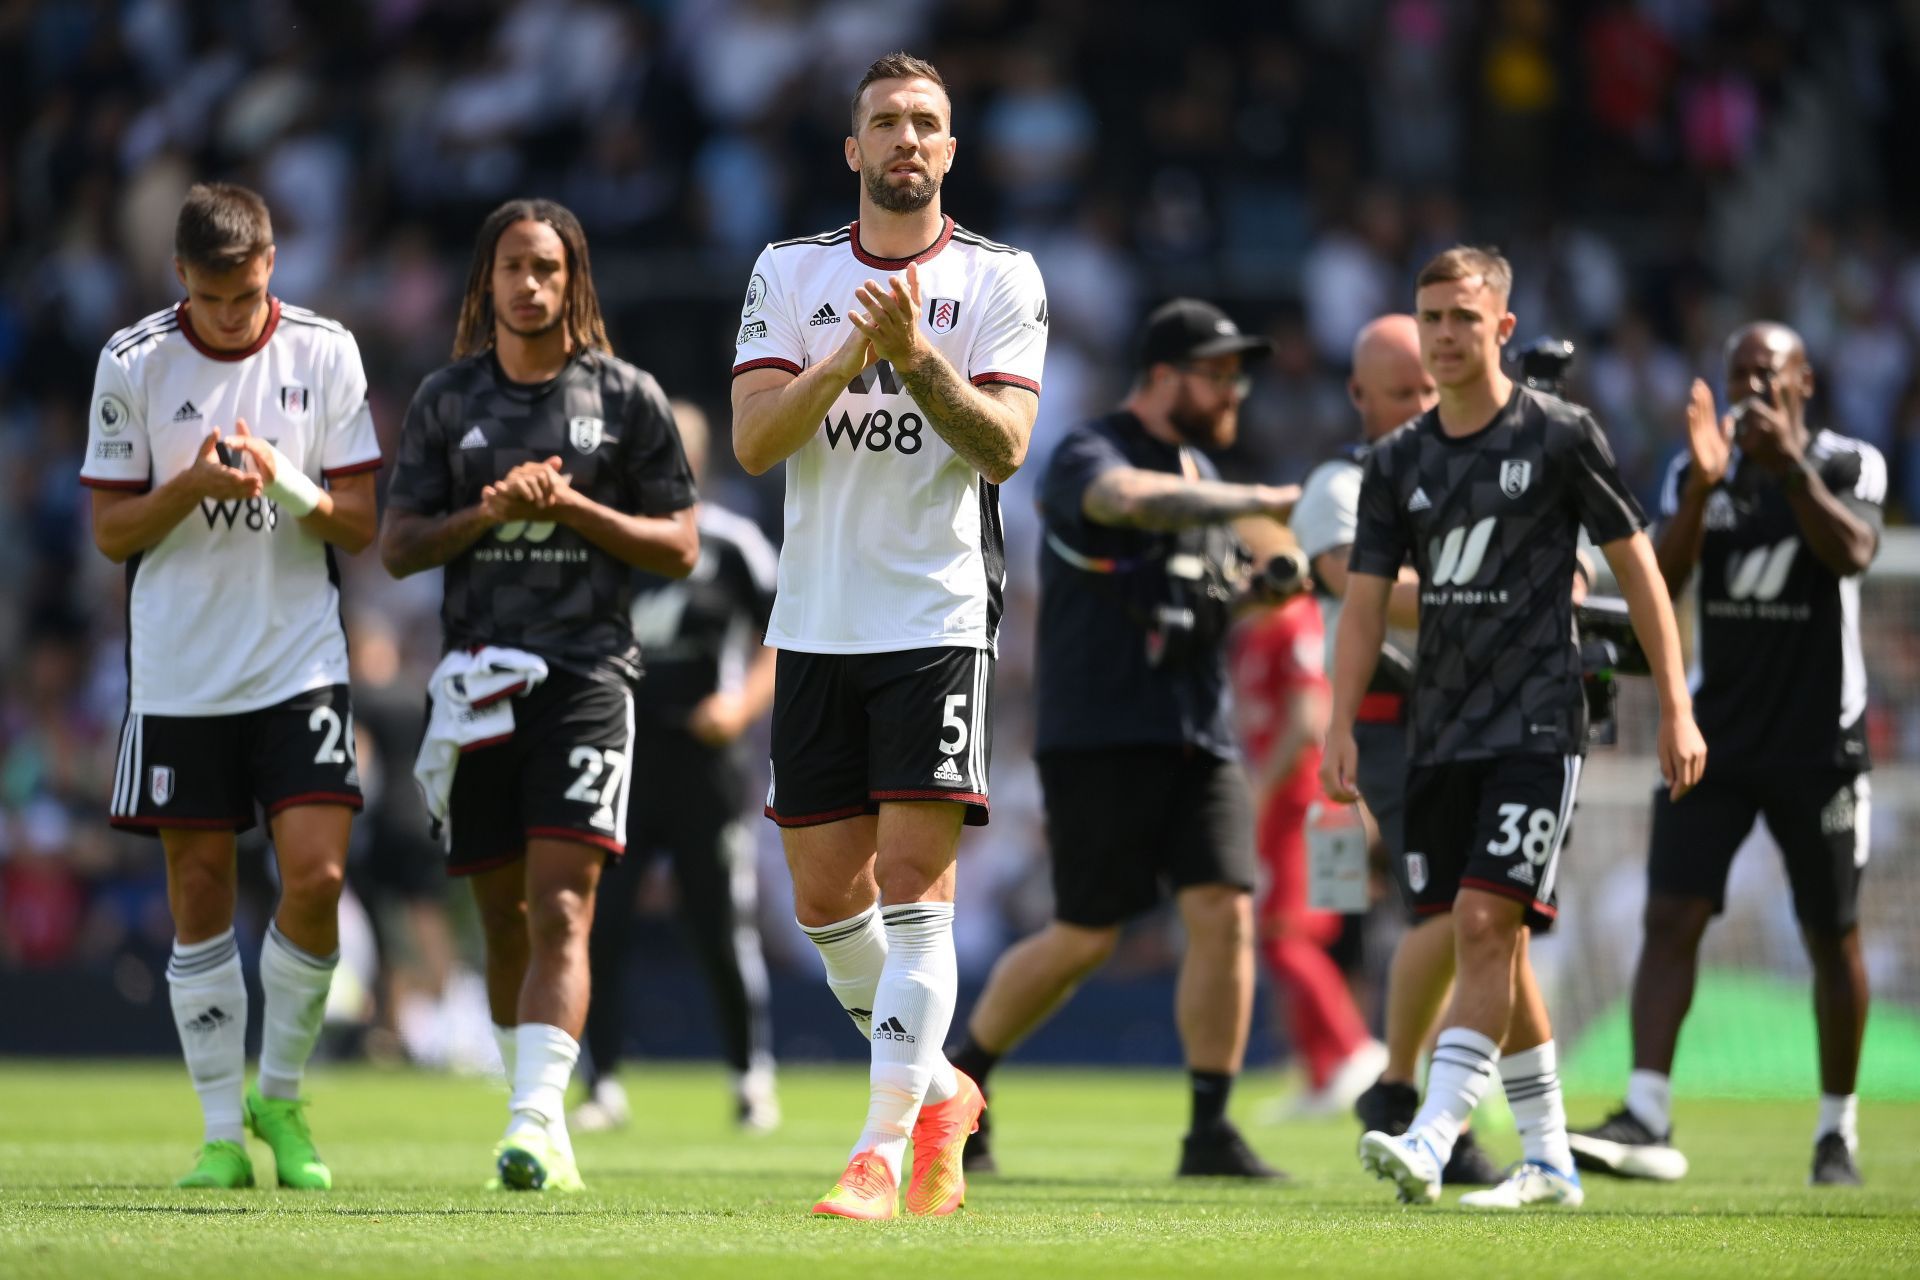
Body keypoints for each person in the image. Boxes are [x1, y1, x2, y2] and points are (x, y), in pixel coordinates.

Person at [730, 51, 1047, 1220]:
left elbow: (1006, 444)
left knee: (918, 890)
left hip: (937, 611)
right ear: (852, 151)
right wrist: (850, 355)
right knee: (826, 905)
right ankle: (942, 1089)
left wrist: (914, 357)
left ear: (950, 152)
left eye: (927, 123)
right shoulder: (790, 272)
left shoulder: (1000, 277)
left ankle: (874, 1149)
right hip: (816, 619)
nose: (907, 139)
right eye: (886, 123)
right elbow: (758, 441)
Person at [1328, 246, 1706, 1209]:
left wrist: (1674, 702)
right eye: (1432, 318)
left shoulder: (1561, 435)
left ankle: (1431, 1132)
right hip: (1437, 731)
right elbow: (1366, 607)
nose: (1446, 335)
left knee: (1484, 921)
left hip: (1538, 724)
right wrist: (1338, 722)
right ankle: (1549, 1158)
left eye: (1463, 317)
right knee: (1496, 942)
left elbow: (1638, 572)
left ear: (1502, 327)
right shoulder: (1395, 464)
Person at [380, 198, 699, 1192]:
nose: (532, 284)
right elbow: (396, 546)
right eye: (515, 266)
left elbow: (681, 544)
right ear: (488, 281)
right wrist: (487, 508)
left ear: (575, 280)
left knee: (564, 904)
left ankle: (530, 1120)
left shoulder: (628, 396)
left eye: (550, 268)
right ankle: (541, 1109)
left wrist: (574, 506)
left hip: (590, 675)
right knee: (502, 912)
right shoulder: (445, 398)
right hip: (479, 680)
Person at [949, 297, 1295, 1181]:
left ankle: (1209, 1129)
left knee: (1225, 910)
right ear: (1163, 376)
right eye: (1217, 374)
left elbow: (1210, 596)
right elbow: (1122, 503)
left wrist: (1273, 582)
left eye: (1235, 375)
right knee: (1085, 935)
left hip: (1196, 728)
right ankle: (959, 1079)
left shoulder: (1201, 469)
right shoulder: (1089, 450)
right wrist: (1253, 502)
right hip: (1100, 726)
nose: (1233, 391)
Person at [80, 182, 382, 1189]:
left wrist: (287, 483)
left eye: (250, 295)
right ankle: (219, 1129)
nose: (236, 317)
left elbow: (359, 520)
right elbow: (113, 529)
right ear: (182, 281)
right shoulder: (132, 361)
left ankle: (281, 1094)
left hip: (299, 661)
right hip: (180, 672)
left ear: (271, 268)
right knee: (201, 892)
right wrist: (192, 487)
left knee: (320, 876)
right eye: (215, 301)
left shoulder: (324, 350)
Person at [1570, 324, 1883, 1188]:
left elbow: (1855, 552)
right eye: (1740, 375)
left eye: (1768, 375)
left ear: (1804, 382)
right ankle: (1645, 1109)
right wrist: (1703, 490)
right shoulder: (1696, 466)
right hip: (1718, 735)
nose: (1752, 390)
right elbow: (1659, 588)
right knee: (1671, 915)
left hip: (1821, 742)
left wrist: (1788, 467)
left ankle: (1836, 1133)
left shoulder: (1851, 463)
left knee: (1832, 932)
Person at [1295, 315, 1499, 1184]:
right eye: (1405, 391)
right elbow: (1359, 585)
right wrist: (1501, 587)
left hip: (1480, 712)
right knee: (1465, 912)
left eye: (1431, 388)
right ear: (1358, 395)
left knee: (1484, 916)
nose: (1424, 404)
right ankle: (1426, 1103)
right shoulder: (1339, 483)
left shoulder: (1477, 465)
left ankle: (1413, 1095)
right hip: (1386, 719)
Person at [574, 400, 782, 1135]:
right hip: (620, 758)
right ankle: (601, 1083)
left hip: (705, 765)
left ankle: (751, 1074)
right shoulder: (606, 541)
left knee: (722, 923)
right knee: (602, 925)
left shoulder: (732, 545)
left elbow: (780, 636)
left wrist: (740, 705)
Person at [1228, 590, 1387, 1114]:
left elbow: (1306, 718)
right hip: (1290, 800)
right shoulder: (1249, 633)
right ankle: (1322, 1074)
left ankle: (1355, 1050)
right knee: (1295, 938)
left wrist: (1259, 792)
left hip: (1299, 802)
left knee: (1284, 935)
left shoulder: (1296, 620)